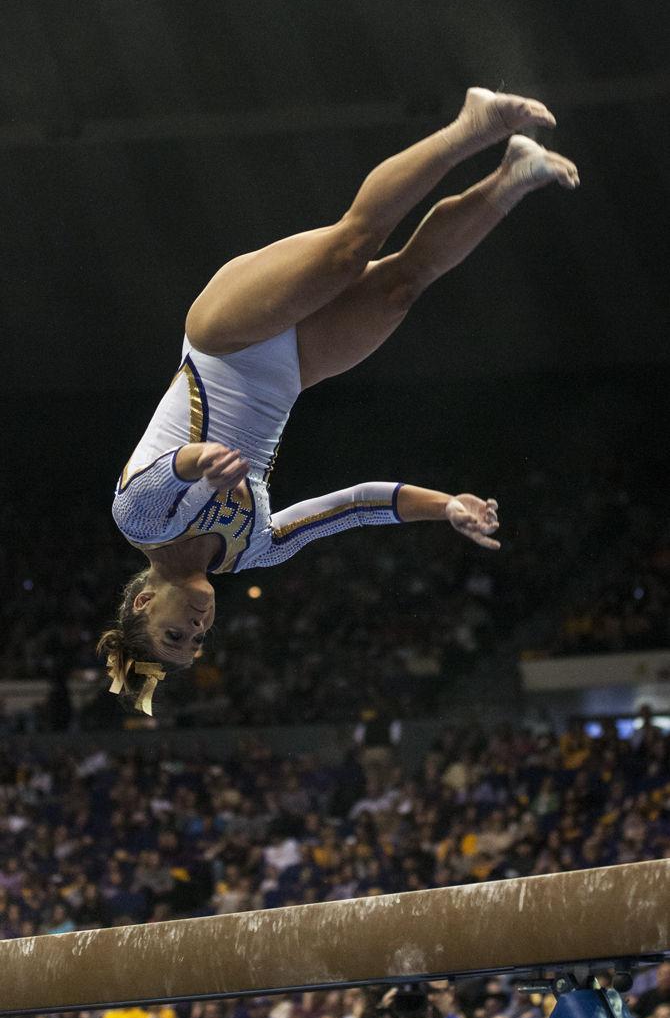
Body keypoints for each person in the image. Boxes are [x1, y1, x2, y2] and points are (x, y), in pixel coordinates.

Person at [100, 87, 579, 713]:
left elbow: (167, 471)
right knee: (404, 284)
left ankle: (473, 125)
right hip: (291, 374)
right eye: (197, 640)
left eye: (175, 633)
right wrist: (447, 508)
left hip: (223, 339)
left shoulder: (140, 522)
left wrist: (199, 463)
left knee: (351, 247)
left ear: (142, 602)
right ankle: (513, 176)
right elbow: (354, 506)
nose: (196, 625)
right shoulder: (253, 549)